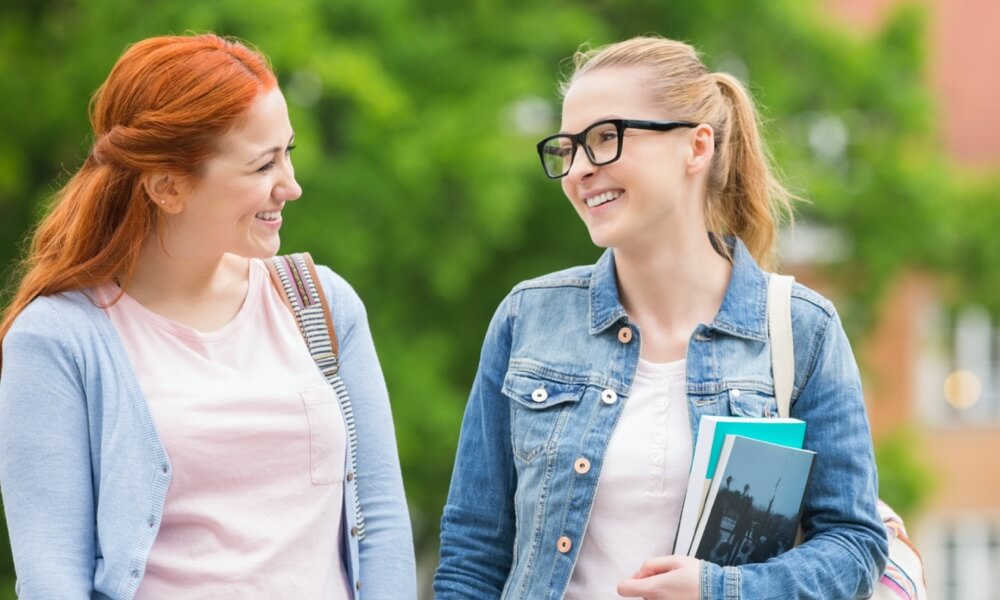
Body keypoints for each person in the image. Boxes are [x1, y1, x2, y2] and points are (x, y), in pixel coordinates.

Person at [434, 35, 887, 599]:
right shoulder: (528, 318)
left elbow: (854, 543)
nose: (579, 169)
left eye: (605, 138)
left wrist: (722, 590)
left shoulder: (802, 331)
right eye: (568, 148)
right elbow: (473, 553)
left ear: (696, 148)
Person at [0, 34, 416, 599]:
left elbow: (383, 525)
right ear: (168, 187)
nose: (290, 185)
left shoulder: (322, 303)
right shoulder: (57, 340)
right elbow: (53, 575)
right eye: (262, 164)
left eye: (287, 151)